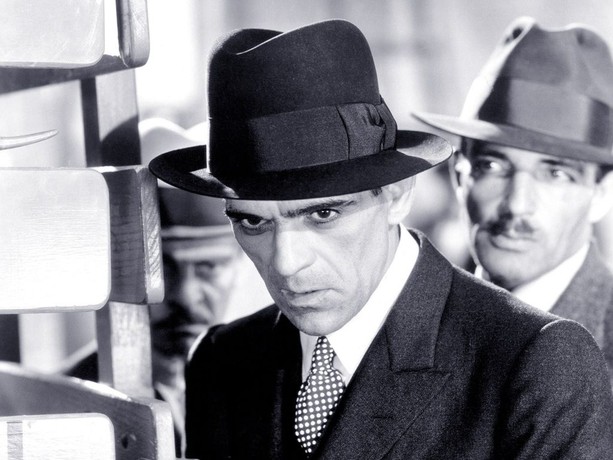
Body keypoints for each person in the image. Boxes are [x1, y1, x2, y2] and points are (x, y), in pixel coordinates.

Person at [149, 19, 613, 459]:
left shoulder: (536, 362)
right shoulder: (221, 361)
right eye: (253, 223)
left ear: (398, 194)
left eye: (324, 214)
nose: (287, 263)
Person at [413, 17, 613, 386]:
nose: (517, 205)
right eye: (493, 166)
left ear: (601, 194)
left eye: (556, 174)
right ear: (460, 176)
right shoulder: (405, 330)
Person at [62, 119, 271, 455]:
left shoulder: (270, 382)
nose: (186, 296)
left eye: (208, 267)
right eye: (162, 270)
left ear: (239, 264)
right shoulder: (71, 401)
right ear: (117, 271)